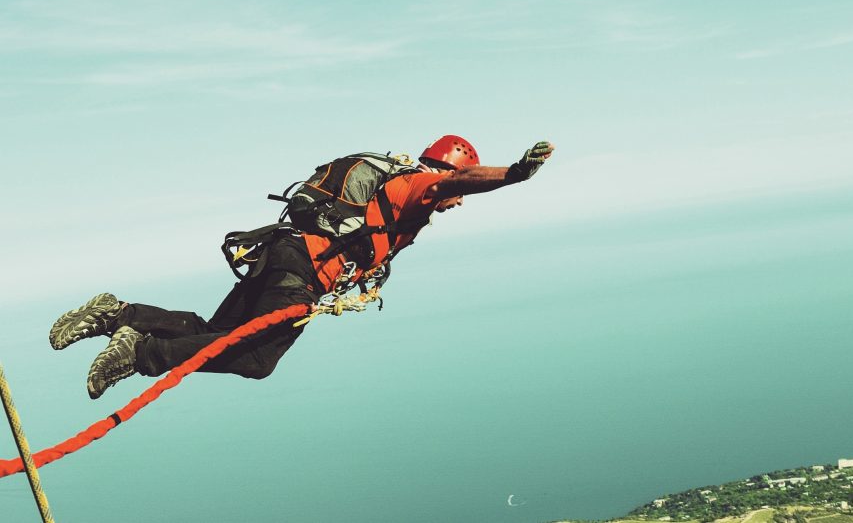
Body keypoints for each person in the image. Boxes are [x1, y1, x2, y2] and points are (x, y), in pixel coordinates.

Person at [49, 135, 555, 399]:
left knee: (217, 332)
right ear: (450, 171)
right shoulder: (417, 186)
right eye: (461, 187)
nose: (460, 200)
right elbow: (451, 186)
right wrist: (513, 175)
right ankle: (141, 352)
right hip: (307, 269)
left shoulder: (386, 174)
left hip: (281, 251)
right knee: (254, 357)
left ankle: (116, 314)